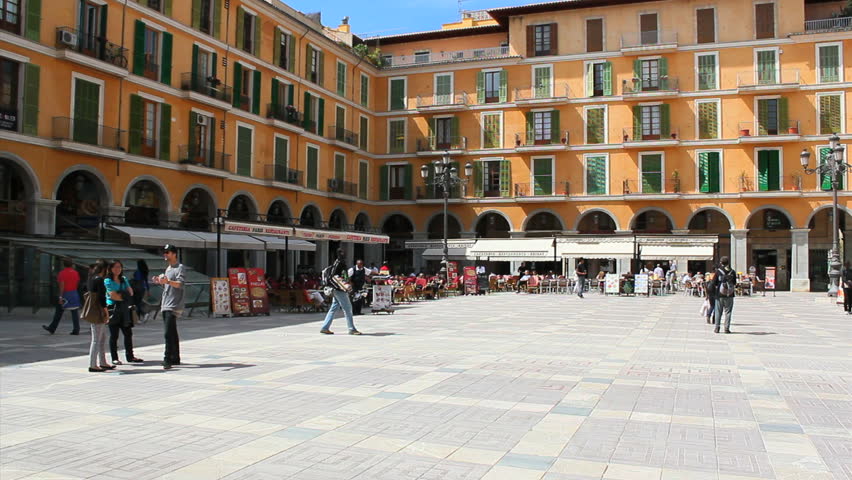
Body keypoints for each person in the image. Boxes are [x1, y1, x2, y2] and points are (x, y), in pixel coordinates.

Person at [152, 244, 186, 370]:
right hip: (166, 303)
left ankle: (167, 359)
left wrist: (168, 281)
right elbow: (168, 286)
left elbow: (180, 284)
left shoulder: (180, 267)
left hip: (173, 304)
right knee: (172, 331)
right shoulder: (168, 268)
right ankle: (175, 357)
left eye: (167, 252)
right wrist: (160, 281)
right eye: (164, 252)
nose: (165, 255)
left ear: (174, 254)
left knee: (168, 333)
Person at [105, 260, 143, 365]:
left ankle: (130, 356)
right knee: (114, 335)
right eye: (115, 267)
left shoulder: (123, 279)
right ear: (110, 269)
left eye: (119, 267)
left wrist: (121, 295)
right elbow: (113, 296)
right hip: (113, 309)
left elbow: (131, 292)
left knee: (128, 333)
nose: (117, 269)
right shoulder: (108, 281)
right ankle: (114, 358)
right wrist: (124, 295)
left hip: (125, 309)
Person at [320, 248, 360, 335]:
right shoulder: (339, 263)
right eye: (342, 253)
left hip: (337, 289)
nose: (344, 254)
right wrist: (341, 285)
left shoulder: (337, 262)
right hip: (339, 289)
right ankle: (351, 329)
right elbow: (334, 276)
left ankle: (325, 327)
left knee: (334, 308)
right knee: (348, 309)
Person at [86, 260, 114, 373]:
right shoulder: (99, 280)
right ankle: (93, 364)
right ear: (104, 269)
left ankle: (102, 362)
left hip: (93, 310)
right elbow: (102, 299)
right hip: (98, 311)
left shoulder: (91, 278)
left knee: (101, 338)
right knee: (97, 339)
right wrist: (106, 312)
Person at [43, 258, 82, 335]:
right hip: (74, 293)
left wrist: (60, 296)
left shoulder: (62, 273)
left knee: (58, 312)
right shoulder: (75, 273)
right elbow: (77, 283)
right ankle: (76, 329)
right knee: (74, 312)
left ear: (63, 264)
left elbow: (62, 286)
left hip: (65, 294)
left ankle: (52, 328)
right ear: (72, 264)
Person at [709, 256, 736, 333]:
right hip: (730, 294)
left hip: (719, 294)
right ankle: (726, 328)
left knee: (718, 311)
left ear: (721, 263)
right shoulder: (732, 272)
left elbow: (713, 283)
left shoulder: (718, 271)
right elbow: (734, 283)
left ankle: (717, 328)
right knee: (728, 312)